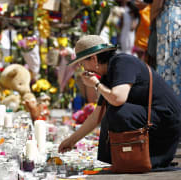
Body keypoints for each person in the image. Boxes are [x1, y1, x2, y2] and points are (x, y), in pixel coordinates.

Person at [58, 35, 181, 169]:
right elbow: (96, 116)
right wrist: (71, 141)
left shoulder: (122, 62)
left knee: (117, 111)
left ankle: (138, 157)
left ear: (93, 59)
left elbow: (118, 99)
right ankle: (124, 158)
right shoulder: (108, 74)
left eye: (83, 63)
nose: (83, 68)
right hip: (153, 119)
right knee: (110, 110)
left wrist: (96, 84)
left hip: (166, 122)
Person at [155, 0, 181, 99]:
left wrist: (151, 18)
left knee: (166, 63)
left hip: (170, 20)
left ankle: (166, 102)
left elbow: (158, 4)